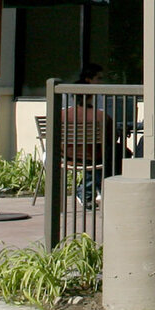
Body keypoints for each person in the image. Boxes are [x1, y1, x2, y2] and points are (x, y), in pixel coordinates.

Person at [55, 65, 122, 209]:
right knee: (117, 153)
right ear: (91, 94)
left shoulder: (60, 115)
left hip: (66, 156)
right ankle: (96, 190)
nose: (101, 83)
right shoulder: (101, 116)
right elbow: (111, 138)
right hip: (94, 156)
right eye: (99, 79)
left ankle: (90, 190)